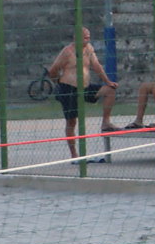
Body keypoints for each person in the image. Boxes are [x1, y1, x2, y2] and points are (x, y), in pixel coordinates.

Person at [47, 28, 116, 160]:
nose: (87, 40)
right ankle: (74, 154)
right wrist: (59, 82)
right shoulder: (67, 51)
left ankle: (106, 122)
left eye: (88, 37)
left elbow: (97, 66)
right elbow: (53, 70)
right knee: (71, 121)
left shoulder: (89, 48)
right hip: (69, 88)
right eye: (85, 37)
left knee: (109, 90)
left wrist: (108, 81)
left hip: (84, 87)